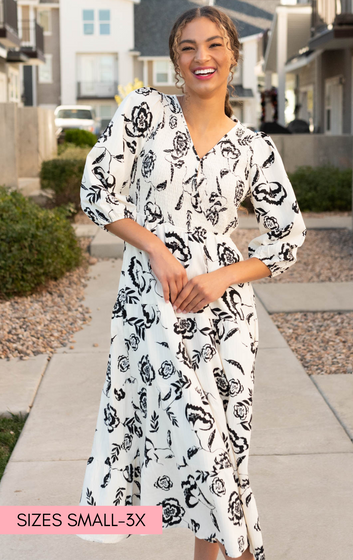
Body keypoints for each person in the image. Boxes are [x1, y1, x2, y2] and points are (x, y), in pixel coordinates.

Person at [76, 6, 307, 560]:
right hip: (149, 308)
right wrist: (154, 248)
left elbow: (287, 239)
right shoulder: (145, 113)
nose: (201, 57)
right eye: (187, 47)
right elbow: (97, 191)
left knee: (222, 452)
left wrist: (222, 278)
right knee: (181, 448)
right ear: (175, 60)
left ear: (232, 53)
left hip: (223, 317)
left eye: (213, 45)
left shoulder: (255, 148)